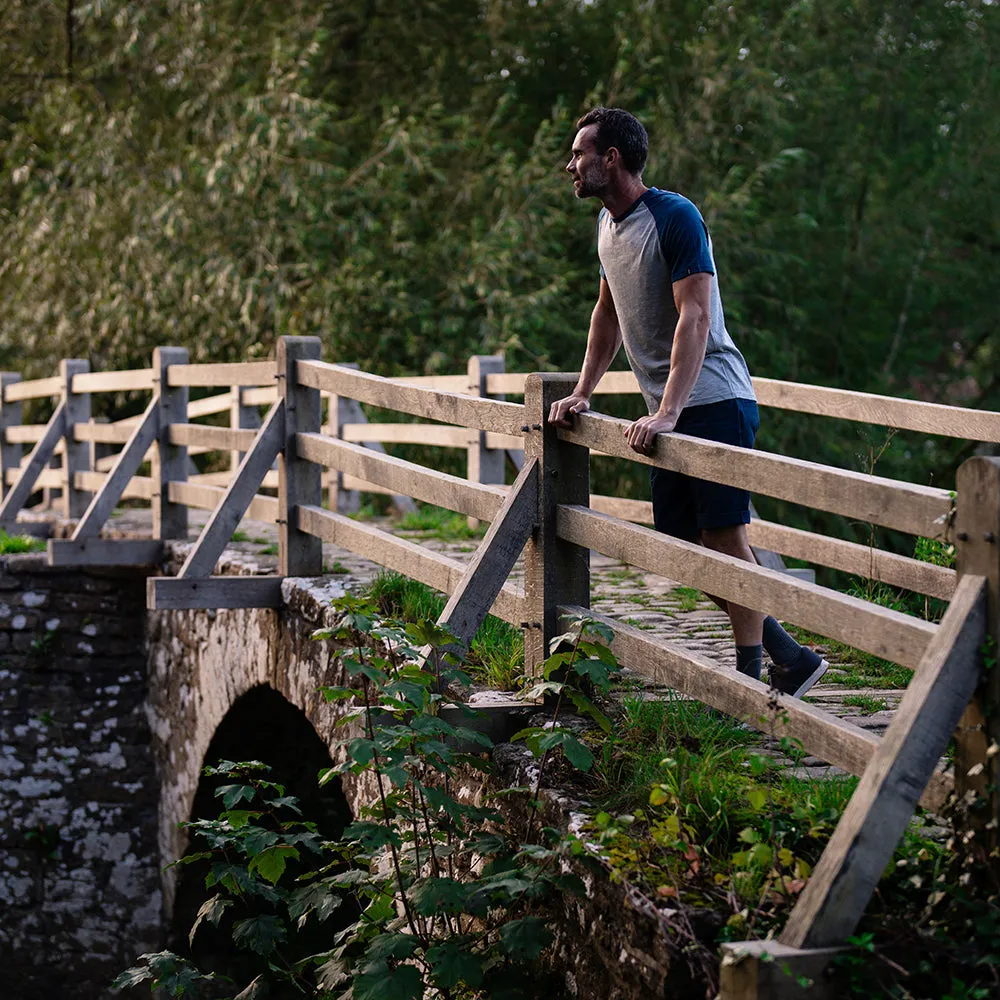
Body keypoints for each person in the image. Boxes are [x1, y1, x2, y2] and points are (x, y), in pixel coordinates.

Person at [548, 106, 827, 698]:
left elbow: (695, 316)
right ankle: (789, 655)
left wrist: (669, 410)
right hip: (672, 409)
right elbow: (607, 315)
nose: (570, 165)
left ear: (611, 159)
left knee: (724, 540)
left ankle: (750, 683)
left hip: (714, 401)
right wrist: (581, 392)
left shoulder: (675, 217)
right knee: (684, 545)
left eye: (579, 154)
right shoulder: (606, 226)